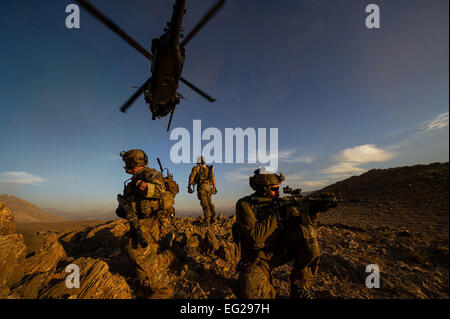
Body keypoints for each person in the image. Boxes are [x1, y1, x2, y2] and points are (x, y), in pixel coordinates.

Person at [234, 168, 321, 299]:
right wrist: (276, 214)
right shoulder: (245, 204)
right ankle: (268, 287)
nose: (277, 192)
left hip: (279, 250)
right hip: (258, 258)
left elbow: (302, 225)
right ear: (264, 188)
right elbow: (256, 236)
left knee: (307, 234)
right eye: (274, 188)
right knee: (249, 290)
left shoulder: (280, 204)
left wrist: (313, 213)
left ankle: (299, 287)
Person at [115, 149, 176, 298]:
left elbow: (159, 191)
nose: (125, 166)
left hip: (153, 221)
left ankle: (163, 290)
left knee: (137, 250)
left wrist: (142, 184)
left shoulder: (149, 174)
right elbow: (125, 206)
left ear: (131, 162)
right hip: (140, 222)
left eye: (126, 162)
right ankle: (169, 257)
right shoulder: (131, 182)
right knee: (130, 246)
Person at [188, 156, 217, 226]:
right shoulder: (208, 168)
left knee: (204, 204)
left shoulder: (196, 168)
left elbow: (191, 177)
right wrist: (215, 187)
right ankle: (214, 217)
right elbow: (213, 179)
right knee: (209, 202)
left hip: (202, 188)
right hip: (209, 188)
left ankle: (207, 221)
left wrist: (189, 186)